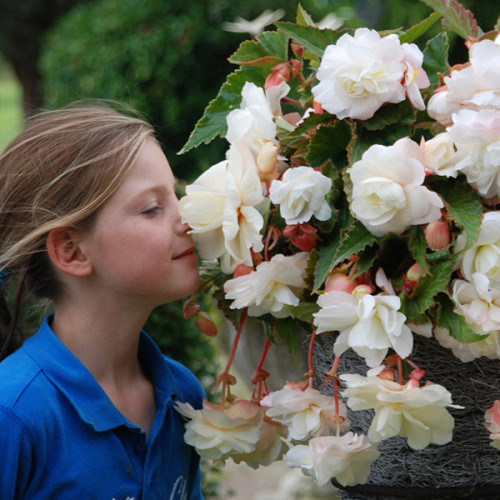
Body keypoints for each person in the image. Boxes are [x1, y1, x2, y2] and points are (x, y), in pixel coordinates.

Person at [0, 103, 205, 499]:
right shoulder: (13, 416)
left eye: (177, 196)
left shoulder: (183, 393)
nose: (189, 220)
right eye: (152, 209)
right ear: (72, 252)